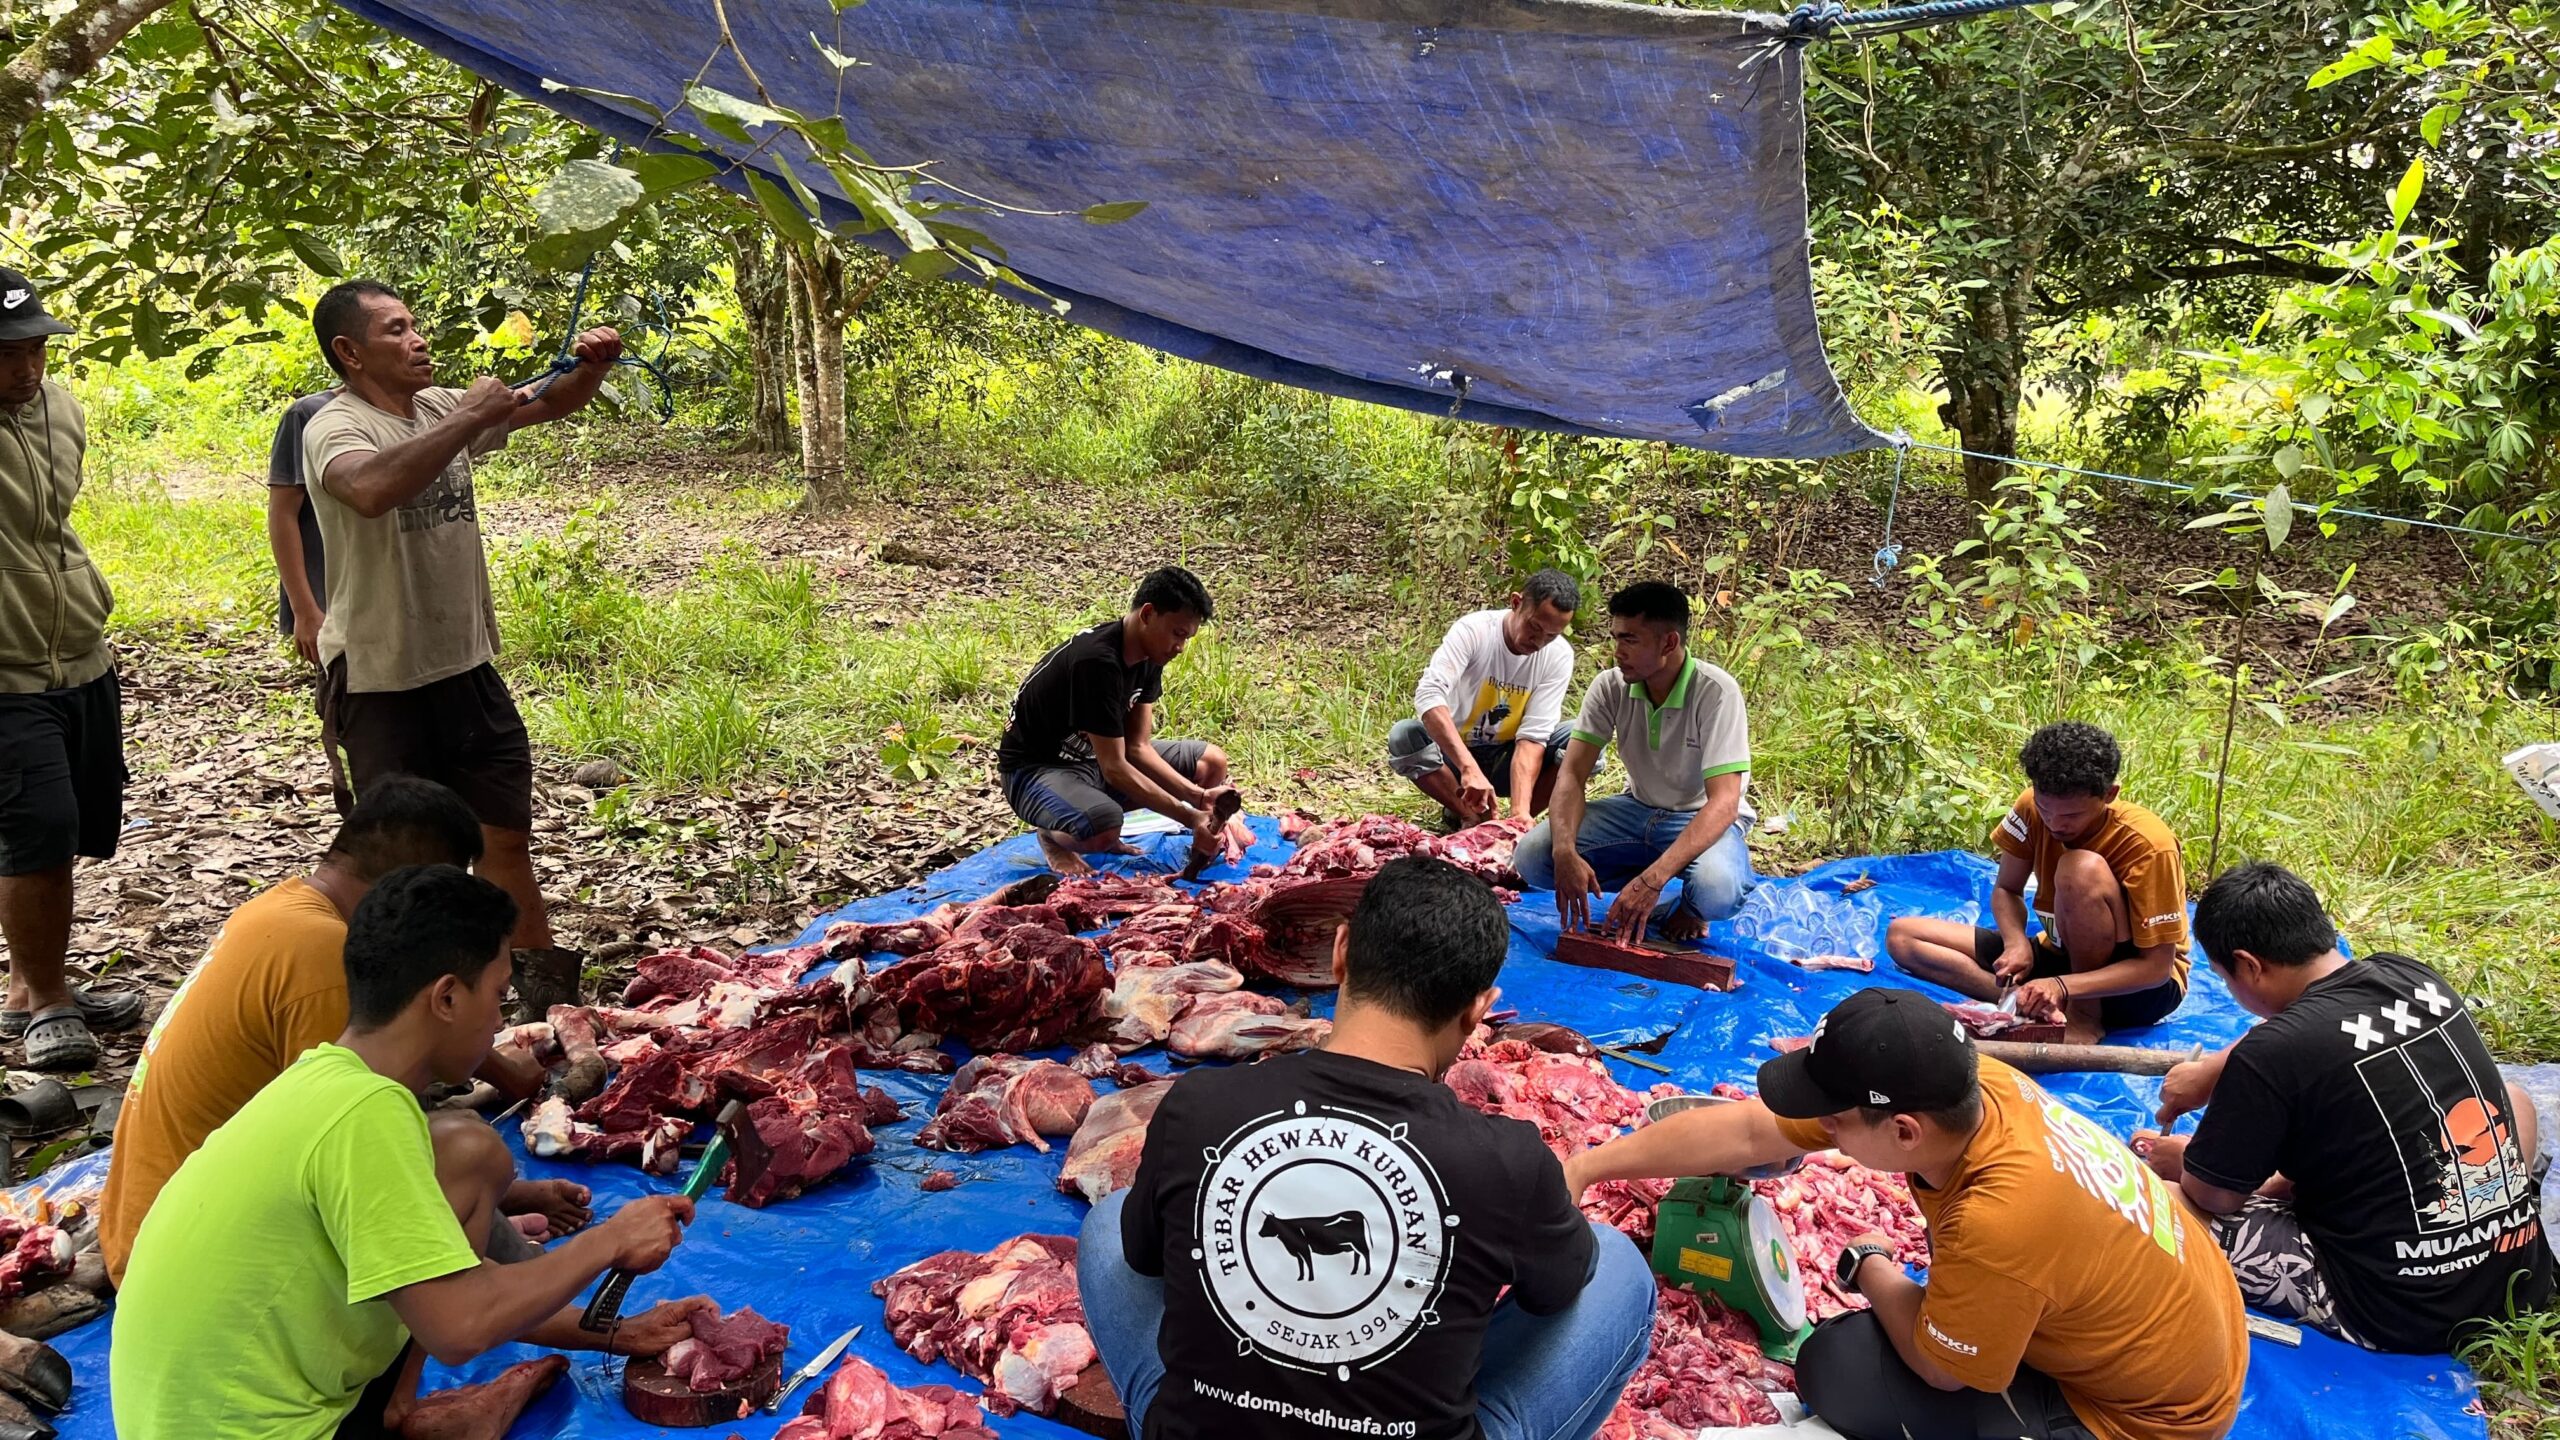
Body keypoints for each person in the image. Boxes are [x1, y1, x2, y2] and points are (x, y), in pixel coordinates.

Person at [112, 864, 708, 1439]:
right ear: (446, 998)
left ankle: (398, 1412)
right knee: (467, 1156)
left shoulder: (322, 1081)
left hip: (172, 1423)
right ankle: (400, 1420)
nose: (498, 1020)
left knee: (464, 1152)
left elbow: (449, 1282)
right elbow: (460, 1325)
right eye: (497, 996)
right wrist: (610, 1240)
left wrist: (618, 1332)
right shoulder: (367, 1118)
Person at [1081, 855, 1655, 1440]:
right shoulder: (1508, 1159)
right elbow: (1556, 1291)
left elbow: (1144, 1259)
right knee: (1614, 1262)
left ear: (1340, 952)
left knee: (1111, 1222)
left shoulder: (1196, 1102)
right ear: (1480, 1009)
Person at [1564, 987, 2247, 1440]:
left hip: (2152, 1419)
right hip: (2184, 1319)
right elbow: (1749, 1132)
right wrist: (1588, 1168)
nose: (1821, 1131)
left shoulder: (2001, 1216)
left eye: (1833, 1121)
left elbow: (1941, 1369)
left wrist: (1872, 1267)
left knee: (1837, 1366)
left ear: (1904, 1132)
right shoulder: (1975, 1084)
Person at [99, 775, 559, 1287]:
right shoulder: (325, 962)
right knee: (458, 1146)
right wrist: (513, 1259)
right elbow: (369, 1150)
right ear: (413, 889)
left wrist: (499, 1190)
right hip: (182, 1262)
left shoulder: (284, 911)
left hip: (154, 1222)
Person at [300, 279, 617, 996]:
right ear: (350, 352)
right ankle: (402, 1010)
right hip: (382, 680)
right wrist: (467, 416)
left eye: (414, 325)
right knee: (405, 863)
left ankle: (543, 1002)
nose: (418, 340)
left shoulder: (439, 407)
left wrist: (590, 367)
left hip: (466, 667)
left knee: (503, 836)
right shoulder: (334, 428)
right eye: (395, 330)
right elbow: (370, 489)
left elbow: (549, 401)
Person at [2134, 862, 2553, 1353]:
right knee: (2514, 1099)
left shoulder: (2271, 1056)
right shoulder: (2412, 976)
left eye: (2226, 979)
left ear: (2248, 966)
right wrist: (2216, 1069)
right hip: (2515, 1273)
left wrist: (2184, 1159)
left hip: (2404, 1309)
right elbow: (2316, 1038)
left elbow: (2214, 1197)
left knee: (2154, 1200)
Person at [0, 266, 146, 1071]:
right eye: (6, 354)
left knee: (70, 829)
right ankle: (49, 1001)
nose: (26, 368)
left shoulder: (58, 409)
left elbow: (49, 526)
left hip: (78, 651)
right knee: (38, 828)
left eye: (36, 349)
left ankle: (31, 985)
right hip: (7, 671)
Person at [1885, 721, 2188, 1042]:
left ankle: (2084, 1017)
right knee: (1903, 937)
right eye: (2045, 809)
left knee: (2079, 869)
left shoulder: (2150, 845)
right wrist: (2016, 943)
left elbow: (2155, 969)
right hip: (2061, 956)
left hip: (2132, 987)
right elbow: (2007, 889)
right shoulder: (2030, 807)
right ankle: (2028, 1003)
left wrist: (2061, 985)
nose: (2055, 824)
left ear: (2109, 795)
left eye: (2071, 816)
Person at [1513, 581, 1752, 942]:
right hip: (1635, 810)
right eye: (1615, 638)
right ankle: (1649, 883)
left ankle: (1686, 905)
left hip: (1697, 814)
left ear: (1668, 643)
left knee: (1717, 890)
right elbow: (1573, 774)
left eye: (1629, 640)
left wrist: (1652, 881)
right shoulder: (1610, 686)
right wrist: (1564, 852)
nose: (1617, 652)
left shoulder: (1716, 692)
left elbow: (1724, 803)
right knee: (1533, 857)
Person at [996, 565, 1253, 876]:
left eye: (1187, 638)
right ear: (1148, 614)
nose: (1180, 647)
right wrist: (1190, 816)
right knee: (1104, 828)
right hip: (1034, 772)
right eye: (1178, 633)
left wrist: (1198, 797)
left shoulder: (1150, 655)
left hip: (1094, 760)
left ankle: (1199, 843)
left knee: (1211, 762)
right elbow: (1115, 767)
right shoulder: (1096, 662)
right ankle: (1052, 835)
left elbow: (1137, 747)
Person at [1387, 569, 1579, 828]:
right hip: (1455, 756)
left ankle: (1513, 824)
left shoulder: (1558, 656)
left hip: (1507, 759)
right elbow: (1429, 695)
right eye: (1534, 627)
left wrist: (1520, 812)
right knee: (1405, 735)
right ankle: (1467, 813)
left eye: (1551, 635)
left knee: (1580, 738)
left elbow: (1533, 736)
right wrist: (1468, 768)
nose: (1539, 641)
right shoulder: (1474, 630)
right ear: (1516, 602)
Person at [267, 385, 348, 805]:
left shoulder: (415, 409)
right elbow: (283, 513)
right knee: (347, 723)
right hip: (331, 605)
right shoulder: (307, 414)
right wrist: (304, 609)